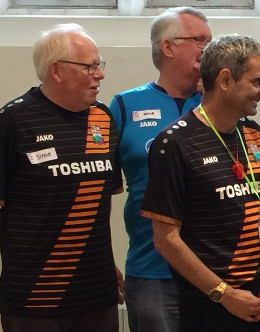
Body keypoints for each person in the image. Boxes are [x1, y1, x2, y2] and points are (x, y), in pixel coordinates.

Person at [0, 23, 123, 332]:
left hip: (98, 293)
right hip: (34, 298)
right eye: (90, 67)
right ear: (56, 71)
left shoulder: (103, 119)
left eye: (99, 65)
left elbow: (97, 206)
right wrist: (21, 257)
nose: (100, 74)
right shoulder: (11, 122)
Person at [141, 34, 260, 332]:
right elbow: (166, 239)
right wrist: (224, 294)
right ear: (225, 80)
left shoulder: (252, 133)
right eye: (257, 82)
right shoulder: (174, 144)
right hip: (210, 304)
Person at [107, 7, 211, 332]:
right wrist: (102, 259)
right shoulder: (124, 106)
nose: (208, 49)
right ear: (168, 47)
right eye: (199, 40)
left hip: (217, 270)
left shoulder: (220, 104)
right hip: (152, 272)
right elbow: (100, 192)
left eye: (210, 41)